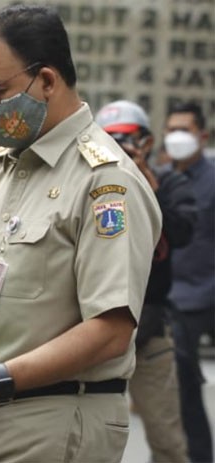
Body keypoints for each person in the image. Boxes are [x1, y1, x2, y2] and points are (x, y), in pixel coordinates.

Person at [0, 5, 162, 462]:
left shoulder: (105, 181)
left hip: (58, 417)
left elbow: (110, 329)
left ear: (47, 80)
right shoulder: (0, 167)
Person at [96, 100, 194, 463]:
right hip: (94, 328)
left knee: (167, 440)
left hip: (149, 329)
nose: (120, 149)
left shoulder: (168, 182)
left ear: (147, 143)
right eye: (110, 140)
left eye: (127, 140)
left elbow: (183, 232)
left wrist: (148, 191)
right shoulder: (89, 183)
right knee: (87, 435)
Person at [164, 101, 214, 463]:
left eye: (184, 129)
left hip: (210, 290)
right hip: (179, 297)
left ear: (203, 135)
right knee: (181, 388)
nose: (177, 137)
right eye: (171, 130)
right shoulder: (160, 178)